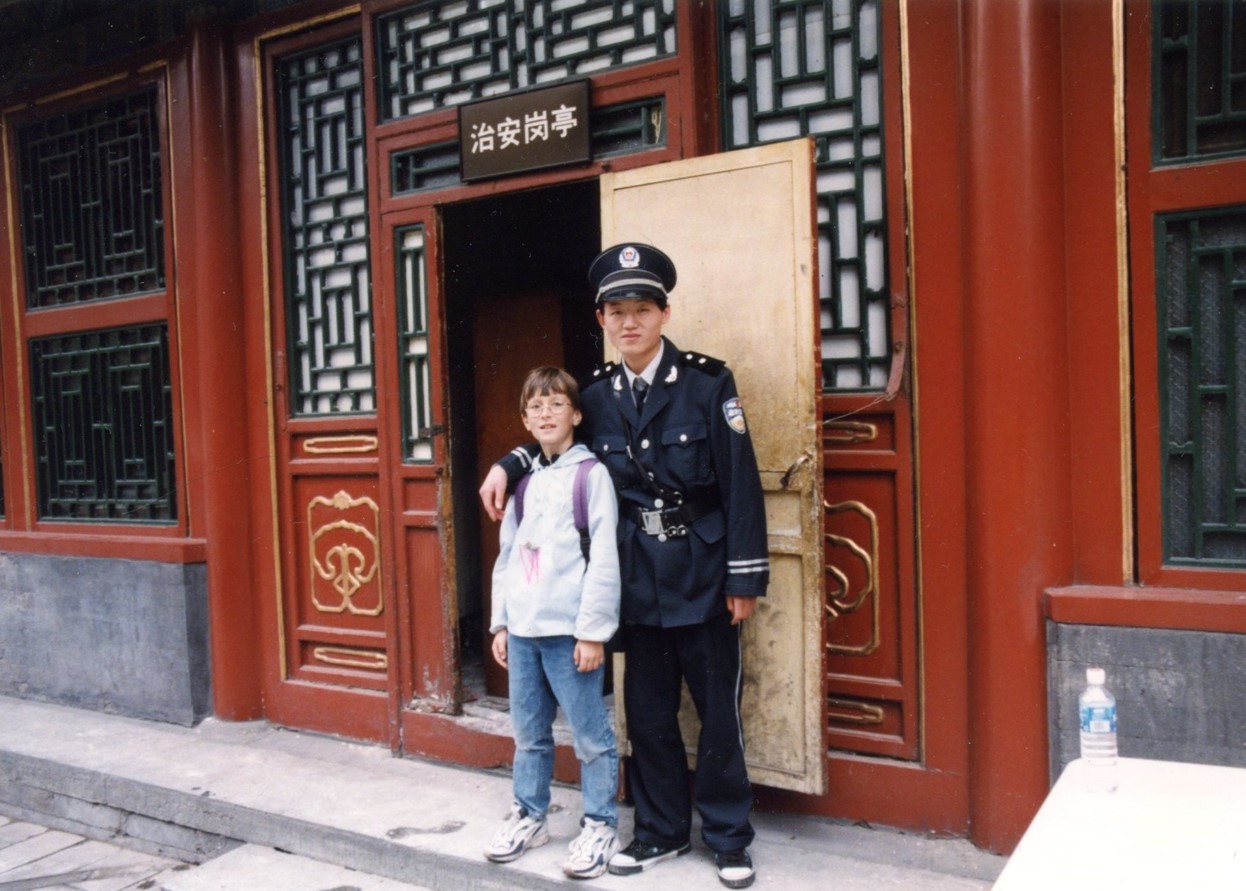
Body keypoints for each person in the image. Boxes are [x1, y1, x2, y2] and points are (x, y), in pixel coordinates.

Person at [479, 243, 769, 890]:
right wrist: (508, 463)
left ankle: (728, 837)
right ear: (602, 319)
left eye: (641, 309)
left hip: (702, 571)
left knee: (718, 713)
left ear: (664, 313)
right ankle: (661, 829)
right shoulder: (597, 394)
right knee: (649, 711)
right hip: (636, 578)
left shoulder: (707, 383)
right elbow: (554, 437)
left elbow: (740, 482)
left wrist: (744, 576)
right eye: (617, 312)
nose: (629, 322)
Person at [483, 366, 623, 880]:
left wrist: (592, 633)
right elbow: (508, 556)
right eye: (536, 407)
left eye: (556, 404)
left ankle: (600, 823)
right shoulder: (524, 482)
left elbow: (604, 558)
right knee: (529, 733)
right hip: (523, 630)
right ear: (525, 419)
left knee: (590, 734)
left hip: (569, 632)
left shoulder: (591, 476)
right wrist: (501, 623)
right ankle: (529, 814)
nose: (546, 414)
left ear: (576, 414)